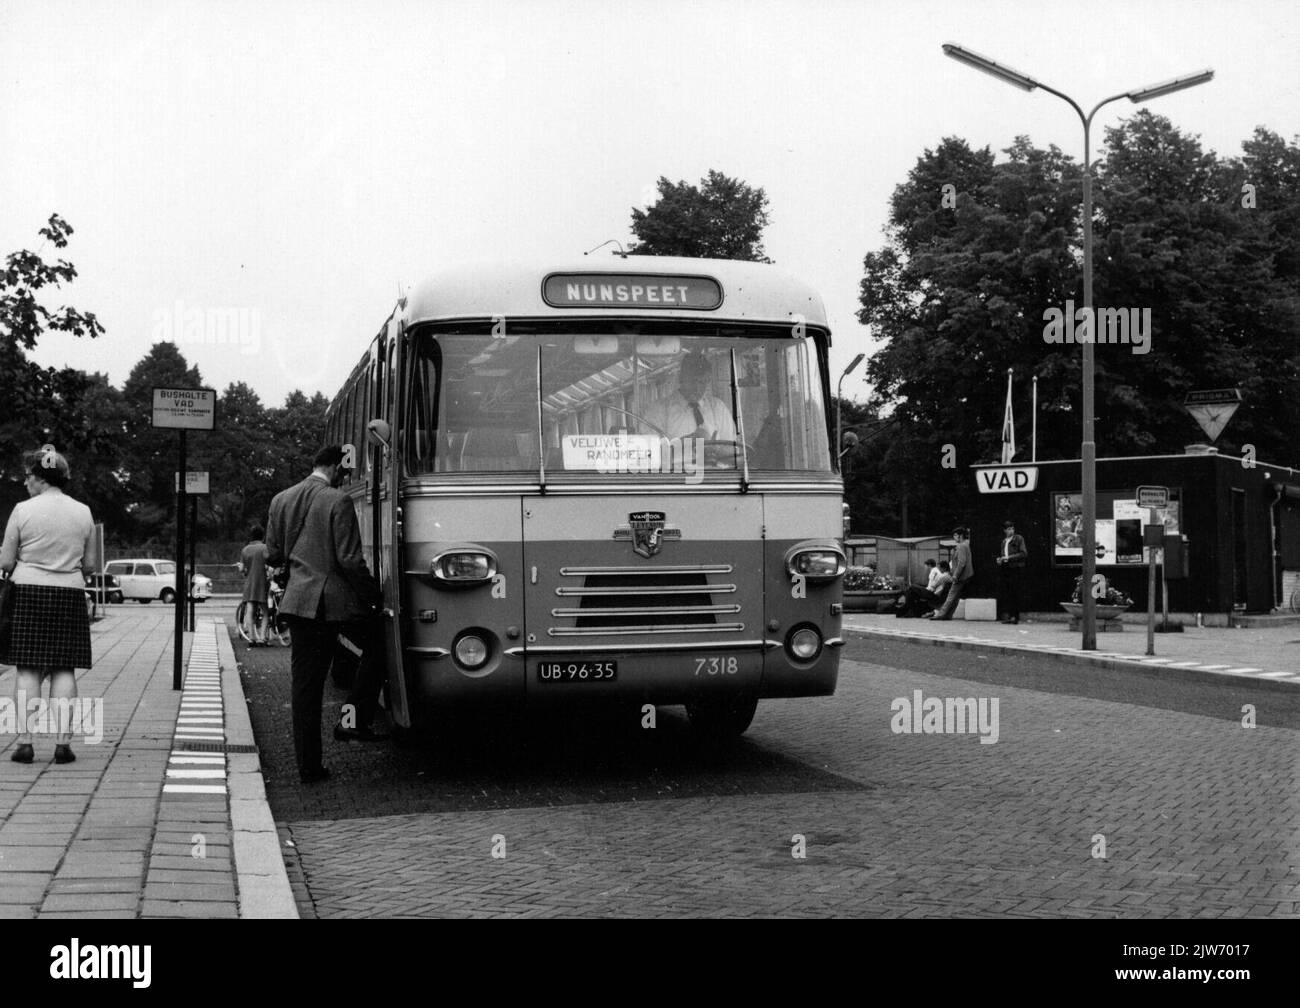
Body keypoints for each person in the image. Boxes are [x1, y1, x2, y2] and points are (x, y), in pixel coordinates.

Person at [265, 446, 386, 784]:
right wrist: (373, 595)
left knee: (305, 688)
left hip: (297, 604)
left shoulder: (281, 499)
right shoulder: (338, 500)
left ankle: (309, 766)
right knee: (379, 644)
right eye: (343, 472)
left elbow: (274, 554)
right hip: (332, 605)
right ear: (335, 467)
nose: (343, 478)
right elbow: (349, 560)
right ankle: (352, 720)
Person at [0, 448, 95, 765]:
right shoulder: (83, 512)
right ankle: (63, 745)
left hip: (28, 592)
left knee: (27, 668)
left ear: (39, 478)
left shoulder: (22, 510)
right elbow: (91, 565)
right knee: (63, 668)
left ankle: (25, 743)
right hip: (69, 592)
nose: (25, 482)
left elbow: (6, 561)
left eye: (28, 476)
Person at [640, 353, 738, 463]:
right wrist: (680, 445)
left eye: (702, 382)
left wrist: (717, 449)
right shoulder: (657, 411)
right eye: (692, 380)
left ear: (707, 381)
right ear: (681, 378)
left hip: (716, 476)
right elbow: (647, 455)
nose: (697, 387)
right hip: (674, 477)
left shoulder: (718, 409)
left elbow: (733, 452)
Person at [929, 527, 974, 620]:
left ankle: (941, 615)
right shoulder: (965, 545)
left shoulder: (961, 546)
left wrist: (955, 576)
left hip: (960, 576)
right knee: (955, 597)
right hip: (965, 576)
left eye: (955, 535)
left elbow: (962, 562)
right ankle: (948, 615)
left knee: (951, 595)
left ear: (960, 535)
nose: (954, 538)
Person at [238, 526, 270, 646]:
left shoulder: (245, 549)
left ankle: (252, 638)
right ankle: (262, 638)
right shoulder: (264, 548)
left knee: (250, 611)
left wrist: (245, 571)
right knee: (265, 611)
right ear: (262, 536)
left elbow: (242, 568)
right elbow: (269, 562)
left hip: (249, 583)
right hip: (262, 582)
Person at [995, 519, 1028, 624]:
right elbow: (1003, 555)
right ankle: (1009, 616)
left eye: (1012, 528)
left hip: (1016, 568)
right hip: (1006, 568)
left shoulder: (1019, 538)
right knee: (1007, 592)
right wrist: (1000, 560)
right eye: (1009, 529)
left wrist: (1008, 558)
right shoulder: (1004, 541)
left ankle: (1015, 616)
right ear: (1005, 530)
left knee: (1015, 592)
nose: (1011, 531)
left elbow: (1023, 553)